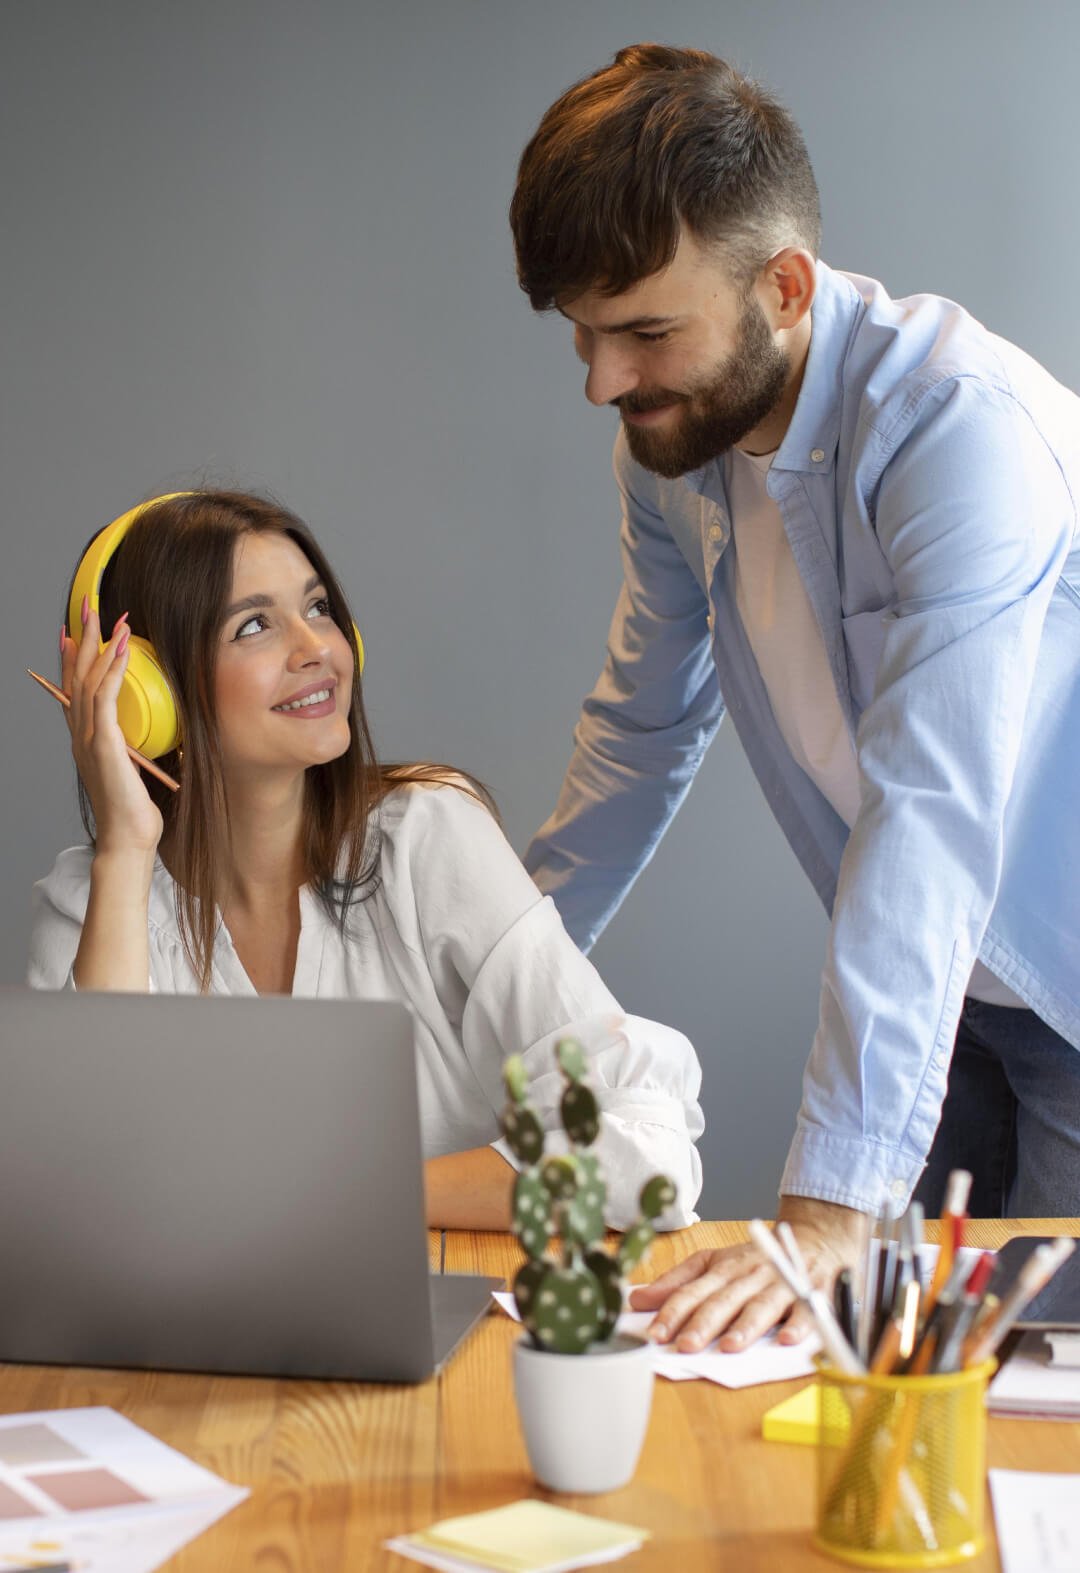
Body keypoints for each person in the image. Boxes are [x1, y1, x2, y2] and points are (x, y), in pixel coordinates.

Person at [509, 44, 1080, 1351]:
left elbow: (930, 810)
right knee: (900, 1384)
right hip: (946, 1002)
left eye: (645, 332)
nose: (603, 381)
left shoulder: (957, 429)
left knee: (1042, 1398)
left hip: (1063, 985)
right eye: (584, 332)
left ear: (784, 286)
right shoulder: (670, 454)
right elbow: (642, 729)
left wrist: (828, 1211)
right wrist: (495, 995)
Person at [28, 489, 704, 1231]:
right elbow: (82, 1199)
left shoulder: (427, 838)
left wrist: (335, 1197)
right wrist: (126, 848)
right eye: (254, 625)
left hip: (455, 1295)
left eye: (318, 608)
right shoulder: (98, 898)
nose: (316, 648)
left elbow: (644, 1149)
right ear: (146, 695)